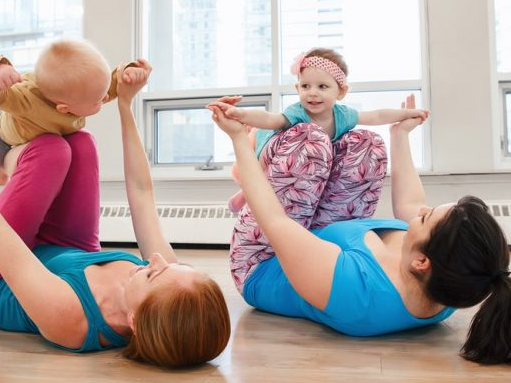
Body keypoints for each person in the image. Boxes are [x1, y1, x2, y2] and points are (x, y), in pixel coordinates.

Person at [208, 93, 511, 365]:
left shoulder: (357, 292)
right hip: (320, 233)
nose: (420, 212)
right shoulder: (452, 283)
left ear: (422, 262)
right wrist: (399, 134)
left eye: (426, 216)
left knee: (308, 142)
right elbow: (410, 203)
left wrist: (237, 140)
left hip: (265, 259)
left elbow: (274, 221)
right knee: (366, 146)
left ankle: (262, 142)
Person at [0, 57, 230, 368]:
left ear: (134, 321)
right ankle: (12, 160)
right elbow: (141, 190)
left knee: (49, 152)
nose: (157, 259)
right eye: (172, 266)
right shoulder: (166, 289)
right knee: (81, 144)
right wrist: (125, 102)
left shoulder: (69, 318)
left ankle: (6, 160)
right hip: (64, 252)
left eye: (151, 273)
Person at [208, 48, 428, 212]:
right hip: (274, 153)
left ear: (340, 92)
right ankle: (245, 194)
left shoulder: (342, 116)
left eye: (322, 87)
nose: (312, 93)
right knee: (262, 174)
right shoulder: (297, 113)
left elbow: (376, 116)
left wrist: (406, 115)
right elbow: (269, 119)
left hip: (308, 166)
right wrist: (240, 114)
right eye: (305, 86)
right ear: (298, 88)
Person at [0, 39, 140, 185]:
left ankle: (1, 171)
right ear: (64, 108)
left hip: (31, 135)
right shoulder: (28, 98)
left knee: (1, 173)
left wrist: (126, 73)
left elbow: (107, 88)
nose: (106, 97)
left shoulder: (83, 93)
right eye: (98, 101)